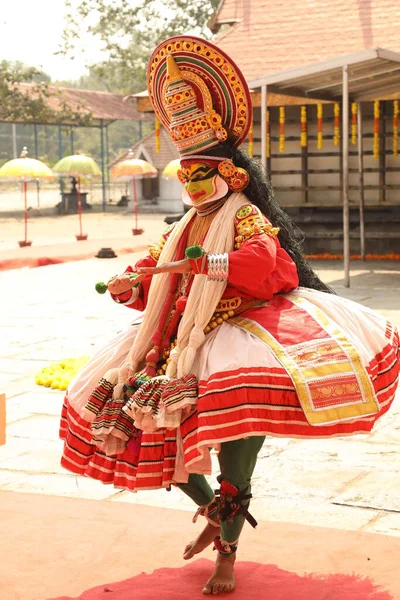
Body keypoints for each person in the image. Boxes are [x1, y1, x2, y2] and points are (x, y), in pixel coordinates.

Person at [60, 35, 399, 595]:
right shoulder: (180, 228)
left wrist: (207, 264)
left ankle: (228, 557)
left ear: (232, 175)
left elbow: (267, 265)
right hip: (175, 346)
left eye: (201, 175)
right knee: (162, 443)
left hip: (242, 344)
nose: (192, 184)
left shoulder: (244, 217)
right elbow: (155, 271)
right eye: (184, 176)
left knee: (236, 466)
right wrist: (131, 281)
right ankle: (218, 514)